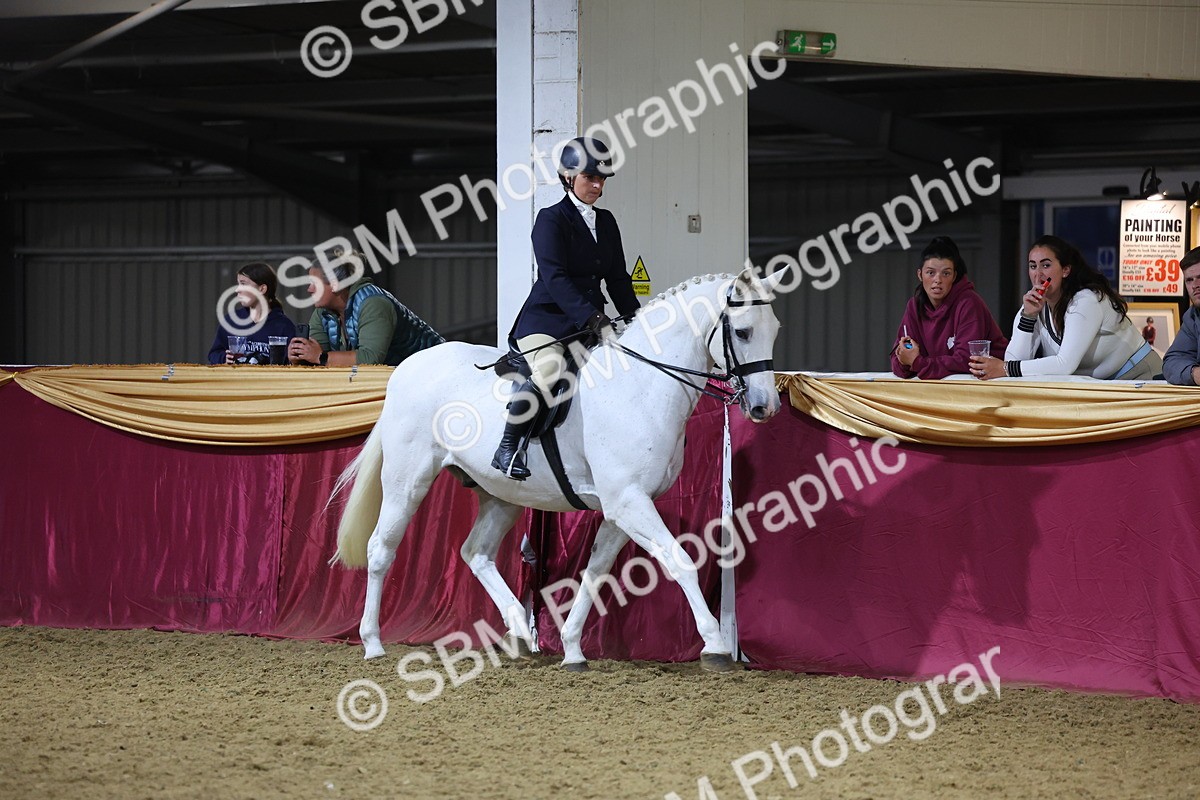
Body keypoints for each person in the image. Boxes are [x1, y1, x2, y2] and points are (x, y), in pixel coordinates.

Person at [491, 137, 640, 480]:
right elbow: (554, 277)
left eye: (602, 179)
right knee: (549, 370)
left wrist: (635, 318)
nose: (598, 185)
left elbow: (618, 278)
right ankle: (508, 447)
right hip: (547, 320)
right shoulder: (550, 219)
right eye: (591, 178)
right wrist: (591, 316)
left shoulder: (606, 222)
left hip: (589, 324)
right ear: (568, 177)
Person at [971, 235, 1161, 381]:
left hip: (1140, 375)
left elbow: (1064, 365)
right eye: (1032, 266)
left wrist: (1005, 369)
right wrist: (1028, 317)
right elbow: (1013, 361)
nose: (1038, 275)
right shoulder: (1034, 306)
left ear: (1065, 270)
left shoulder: (1085, 300)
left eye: (1046, 265)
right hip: (1107, 385)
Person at [288, 254, 443, 367]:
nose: (309, 289)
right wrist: (302, 357)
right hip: (402, 377)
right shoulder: (322, 312)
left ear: (335, 285)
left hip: (437, 369)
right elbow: (320, 355)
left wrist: (320, 357)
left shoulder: (373, 304)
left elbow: (370, 358)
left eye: (314, 283)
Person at [890, 236, 1008, 379]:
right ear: (920, 275)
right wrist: (905, 361)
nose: (938, 280)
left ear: (954, 276)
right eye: (930, 273)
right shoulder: (914, 306)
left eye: (946, 273)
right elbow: (898, 362)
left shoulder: (969, 303)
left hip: (993, 385)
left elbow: (968, 361)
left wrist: (917, 363)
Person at [207, 261, 297, 364]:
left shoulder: (284, 326)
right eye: (238, 284)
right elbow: (213, 354)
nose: (237, 289)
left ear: (262, 289)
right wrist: (224, 358)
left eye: (243, 284)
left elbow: (292, 364)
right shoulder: (232, 321)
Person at [1162, 247, 1200, 385]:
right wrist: (1194, 373)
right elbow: (1173, 361)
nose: (1195, 285)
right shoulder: (1193, 317)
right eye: (1189, 280)